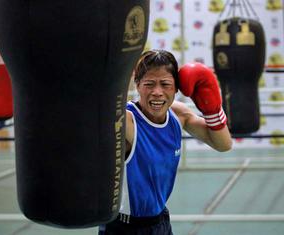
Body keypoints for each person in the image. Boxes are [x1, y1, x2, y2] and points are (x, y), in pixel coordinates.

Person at [99, 49, 232, 235]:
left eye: (165, 84)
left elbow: (223, 144)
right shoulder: (126, 120)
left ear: (176, 88)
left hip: (160, 221)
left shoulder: (179, 115)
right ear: (137, 85)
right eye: (149, 84)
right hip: (124, 227)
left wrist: (212, 109)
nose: (157, 92)